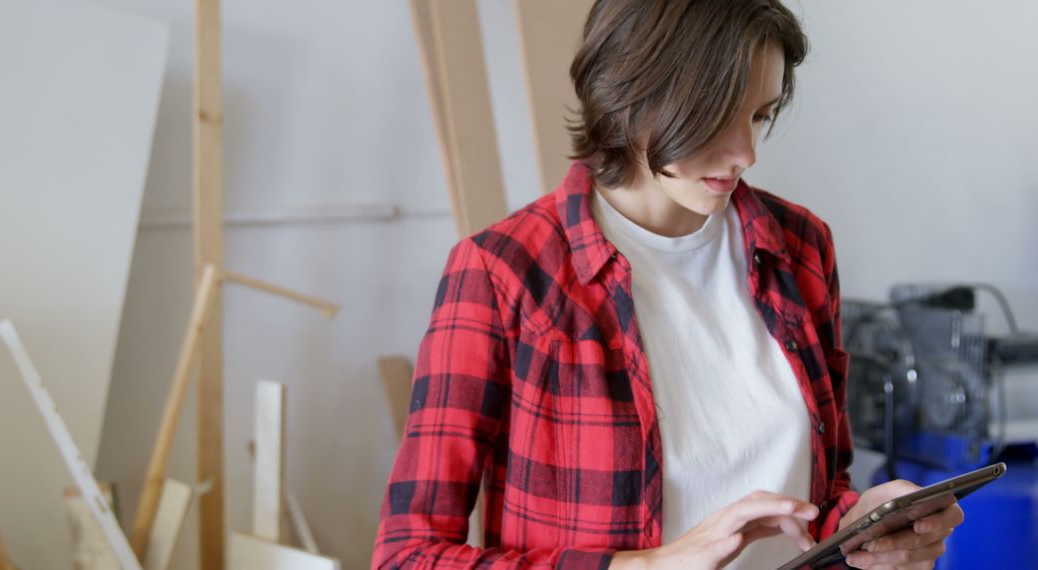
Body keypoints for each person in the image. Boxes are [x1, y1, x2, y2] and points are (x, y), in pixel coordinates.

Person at [373, 1, 964, 568]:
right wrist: (649, 566)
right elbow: (409, 556)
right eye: (717, 115)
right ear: (627, 91)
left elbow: (820, 494)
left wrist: (869, 527)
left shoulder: (800, 247)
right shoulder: (502, 273)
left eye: (760, 115)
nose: (746, 154)